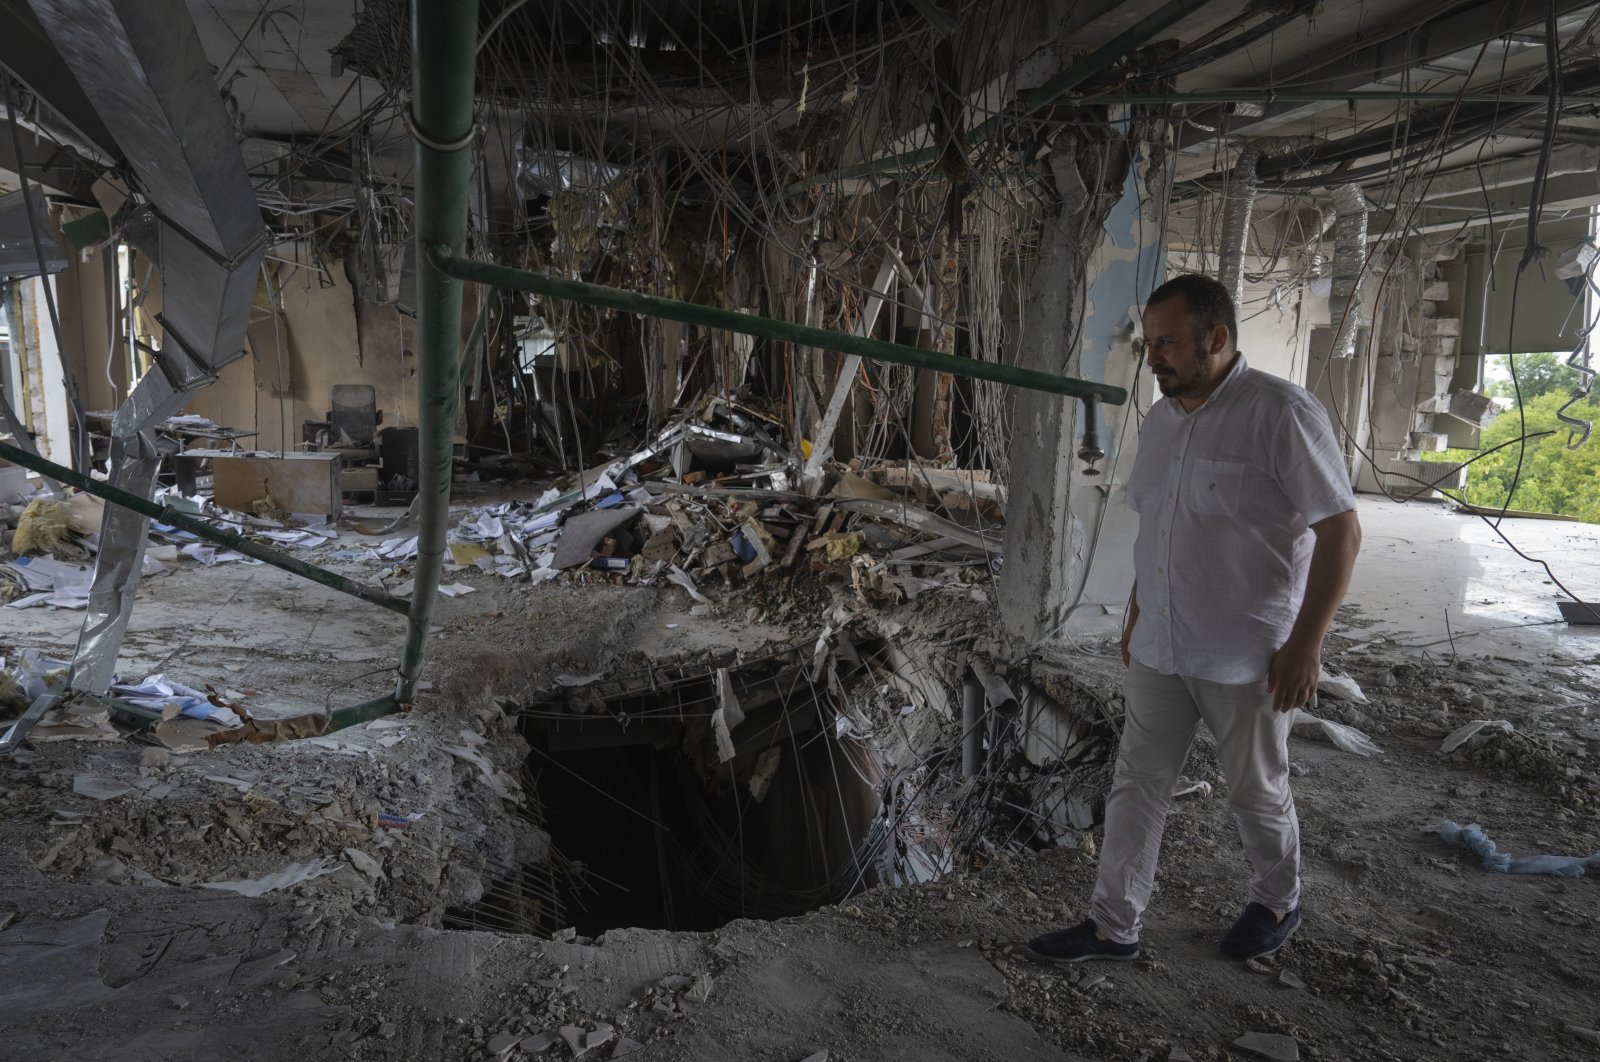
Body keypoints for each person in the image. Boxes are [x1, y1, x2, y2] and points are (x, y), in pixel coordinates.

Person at [1027, 273, 1362, 964]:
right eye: (1149, 344)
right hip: (1160, 644)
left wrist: (1306, 645)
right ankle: (1112, 926)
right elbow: (1161, 528)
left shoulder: (1283, 414)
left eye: (1169, 343)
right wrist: (1138, 611)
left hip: (1249, 654)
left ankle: (1277, 899)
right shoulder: (1160, 421)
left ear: (1217, 338)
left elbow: (1341, 532)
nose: (1154, 358)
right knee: (1136, 787)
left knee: (1254, 789)